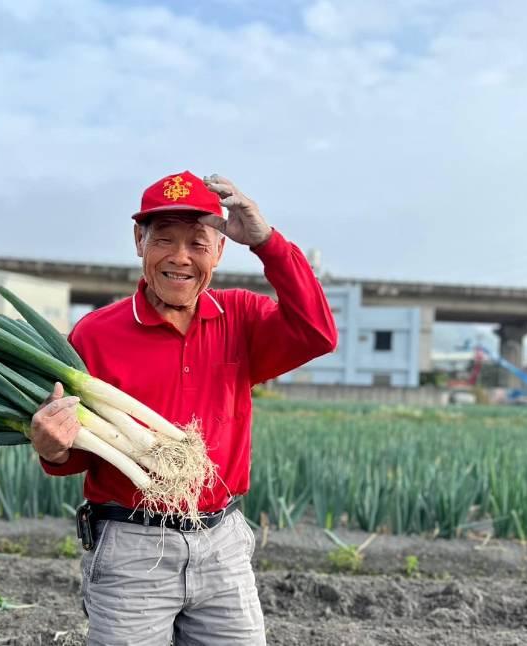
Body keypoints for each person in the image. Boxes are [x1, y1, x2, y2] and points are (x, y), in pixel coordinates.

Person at [30, 170, 338, 645]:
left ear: (219, 250)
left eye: (197, 242)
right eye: (164, 240)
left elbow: (318, 332)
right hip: (132, 545)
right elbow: (78, 452)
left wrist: (267, 242)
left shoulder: (242, 317)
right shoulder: (95, 333)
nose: (180, 258)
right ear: (139, 241)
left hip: (222, 542)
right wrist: (51, 449)